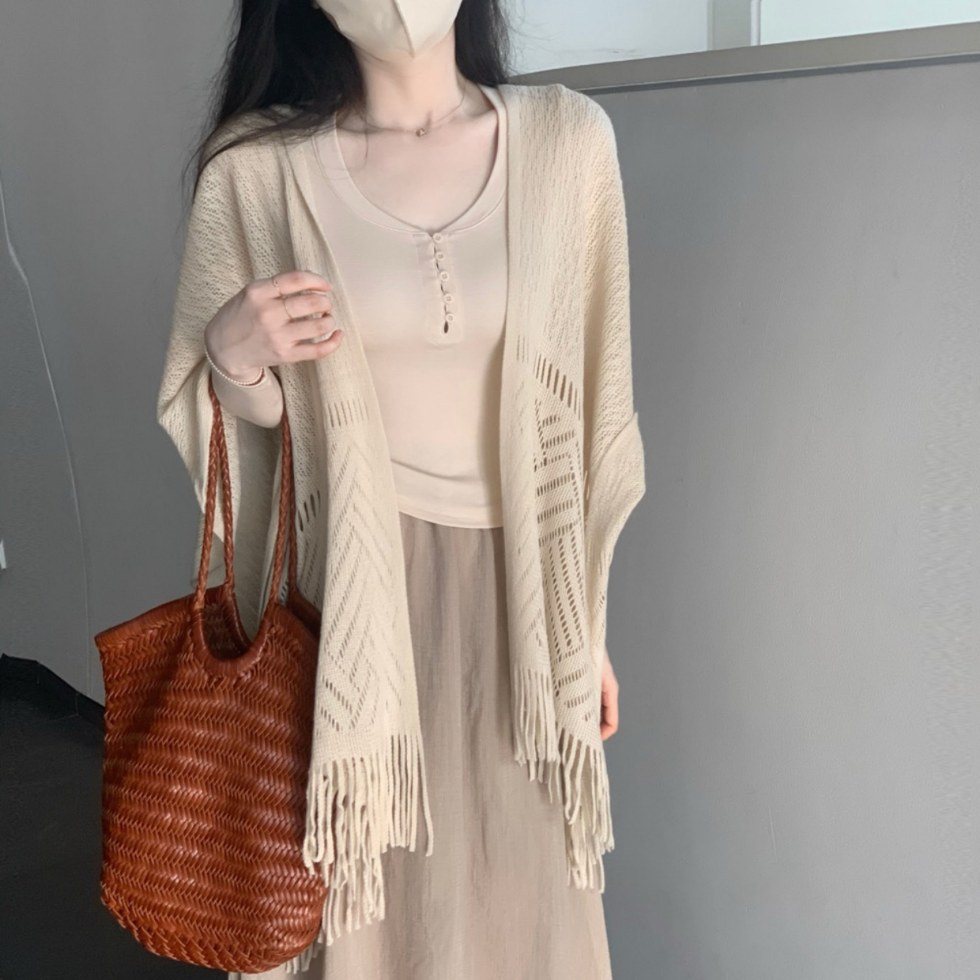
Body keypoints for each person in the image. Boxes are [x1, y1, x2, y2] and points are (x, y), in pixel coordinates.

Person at [157, 0, 645, 977]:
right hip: (353, 600)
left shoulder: (567, 143)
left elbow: (596, 408)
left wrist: (584, 623)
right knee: (368, 913)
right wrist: (233, 359)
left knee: (525, 909)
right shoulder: (256, 173)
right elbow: (243, 440)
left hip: (520, 613)